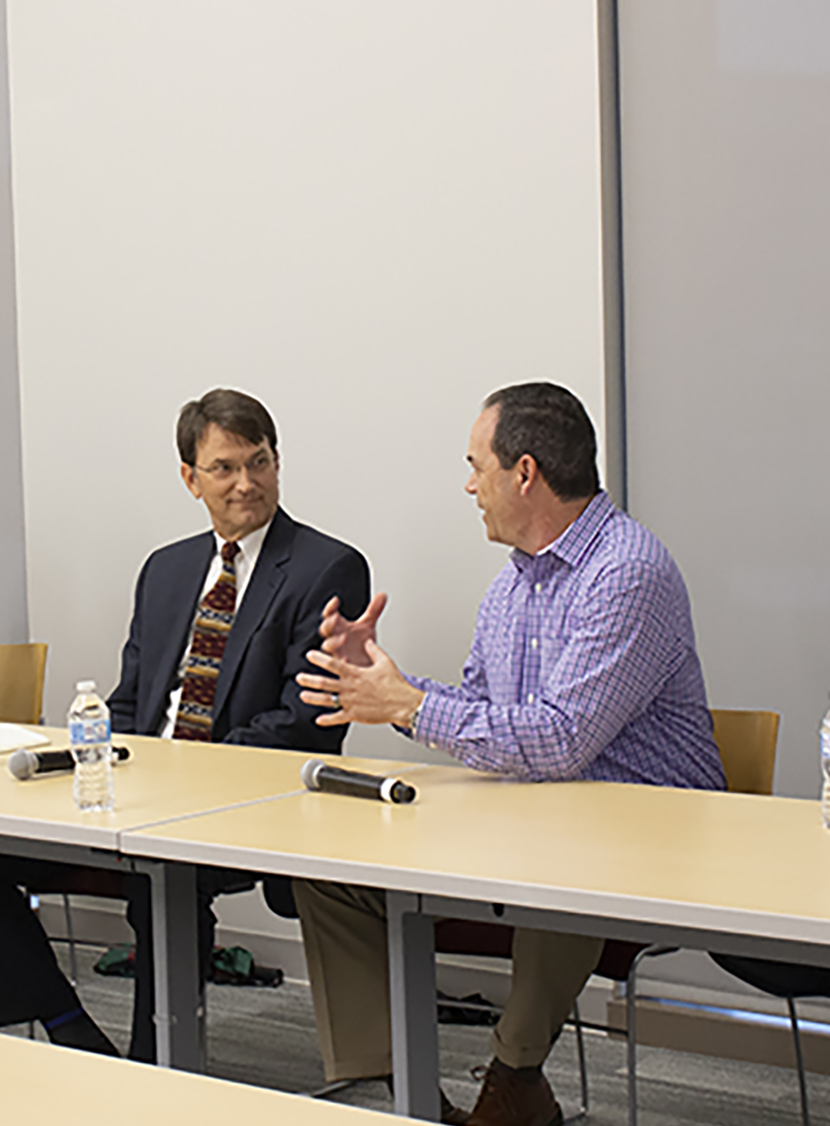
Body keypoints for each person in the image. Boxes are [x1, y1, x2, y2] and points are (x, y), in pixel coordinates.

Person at [292, 382, 723, 1126]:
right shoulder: (511, 586)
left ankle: (511, 1081)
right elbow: (489, 719)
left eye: (475, 464)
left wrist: (411, 707)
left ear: (524, 473)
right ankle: (405, 1092)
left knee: (570, 859)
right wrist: (386, 685)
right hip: (540, 813)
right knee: (329, 872)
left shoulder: (626, 572)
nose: (468, 484)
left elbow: (560, 740)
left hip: (653, 833)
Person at [0, 388, 371, 1058]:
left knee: (162, 878)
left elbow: (307, 724)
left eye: (260, 462)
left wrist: (179, 770)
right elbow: (133, 702)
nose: (246, 482)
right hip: (134, 784)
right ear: (190, 477)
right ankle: (65, 1024)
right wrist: (99, 754)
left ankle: (154, 1070)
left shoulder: (325, 567)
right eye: (224, 468)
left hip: (239, 797)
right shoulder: (166, 569)